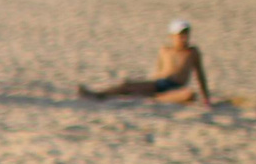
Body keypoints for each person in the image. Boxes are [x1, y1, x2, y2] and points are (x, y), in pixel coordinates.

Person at [79, 19, 214, 105]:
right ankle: (98, 94)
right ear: (172, 36)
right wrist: (150, 84)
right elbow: (159, 70)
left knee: (189, 95)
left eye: (186, 35)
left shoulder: (192, 52)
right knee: (127, 85)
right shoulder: (165, 50)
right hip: (159, 82)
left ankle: (157, 98)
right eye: (180, 35)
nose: (184, 38)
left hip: (176, 86)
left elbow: (200, 75)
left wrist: (206, 97)